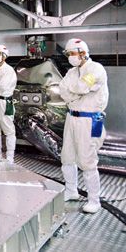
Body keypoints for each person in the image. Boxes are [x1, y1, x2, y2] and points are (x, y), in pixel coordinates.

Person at [59, 38, 108, 214]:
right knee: (67, 157)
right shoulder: (72, 72)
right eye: (68, 54)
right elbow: (63, 90)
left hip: (90, 120)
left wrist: (75, 91)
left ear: (82, 53)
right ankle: (71, 191)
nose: (70, 57)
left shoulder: (96, 69)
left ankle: (94, 200)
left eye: (72, 54)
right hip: (72, 118)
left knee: (87, 161)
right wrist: (76, 92)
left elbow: (79, 87)